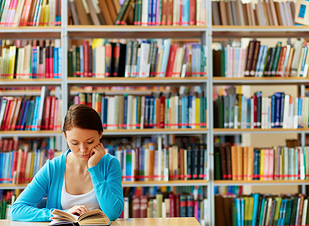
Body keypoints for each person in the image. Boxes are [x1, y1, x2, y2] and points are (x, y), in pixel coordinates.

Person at [11, 104, 124, 221]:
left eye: (90, 142)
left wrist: (94, 168)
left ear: (100, 134)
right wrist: (63, 214)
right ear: (65, 136)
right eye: (75, 143)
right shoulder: (53, 168)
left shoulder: (110, 164)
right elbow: (17, 210)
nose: (83, 149)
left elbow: (112, 213)